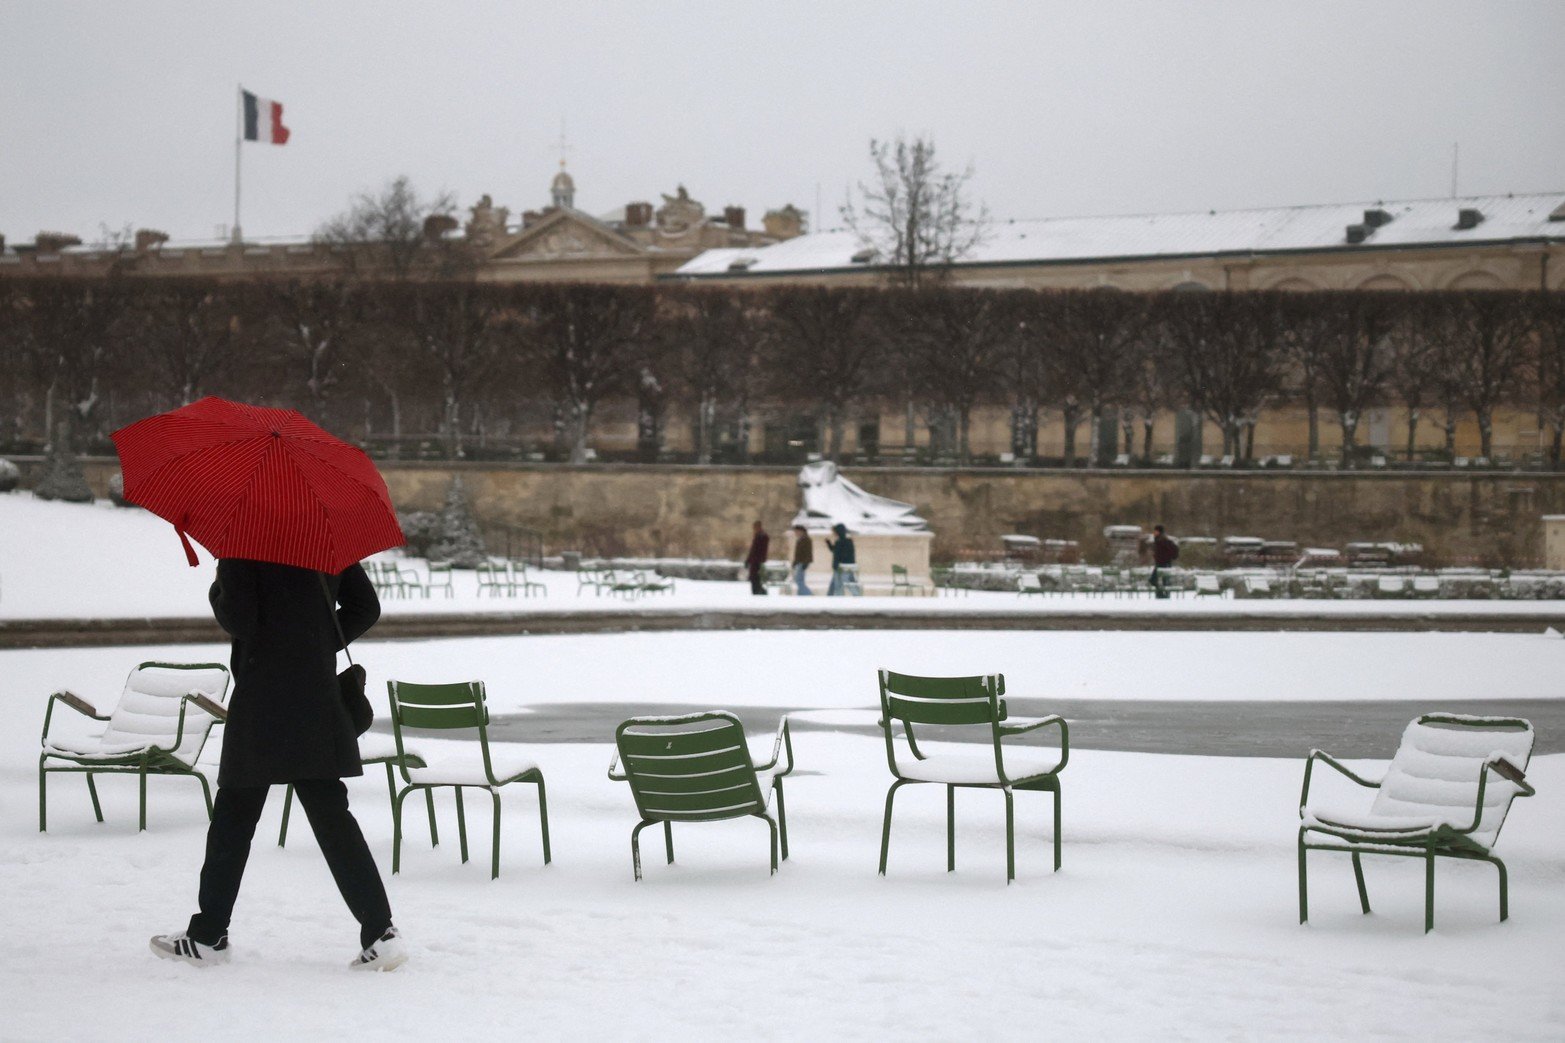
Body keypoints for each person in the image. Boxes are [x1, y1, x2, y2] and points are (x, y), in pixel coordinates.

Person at [150, 558, 406, 971]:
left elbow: (241, 620)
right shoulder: (323, 537)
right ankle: (381, 932)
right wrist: (317, 640)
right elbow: (366, 607)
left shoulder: (246, 545)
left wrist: (219, 585)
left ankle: (208, 935)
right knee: (333, 821)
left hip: (261, 706)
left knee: (233, 821)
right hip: (316, 699)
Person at [825, 522, 856, 596]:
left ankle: (838, 603)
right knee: (833, 588)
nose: (833, 534)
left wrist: (837, 565)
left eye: (835, 532)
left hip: (841, 568)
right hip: (843, 568)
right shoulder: (844, 542)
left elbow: (839, 555)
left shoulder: (841, 542)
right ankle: (828, 601)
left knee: (839, 587)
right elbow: (835, 551)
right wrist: (829, 543)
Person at [1150, 524, 1179, 599]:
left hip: (1164, 563)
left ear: (1159, 532)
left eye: (1155, 531)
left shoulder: (1163, 540)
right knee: (1154, 580)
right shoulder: (1158, 539)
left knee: (1164, 580)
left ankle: (1163, 595)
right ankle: (1161, 594)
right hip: (1159, 563)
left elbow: (1171, 550)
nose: (1154, 532)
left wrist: (1167, 557)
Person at [744, 520, 770, 595]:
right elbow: (752, 550)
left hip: (758, 561)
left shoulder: (763, 536)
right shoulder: (758, 536)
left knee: (756, 578)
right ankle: (757, 591)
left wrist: (761, 560)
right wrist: (748, 560)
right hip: (754, 560)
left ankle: (759, 591)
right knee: (754, 578)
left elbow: (761, 550)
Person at [790, 524, 813, 595]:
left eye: (796, 531)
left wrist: (806, 562)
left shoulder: (806, 540)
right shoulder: (800, 540)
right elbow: (797, 554)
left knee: (798, 580)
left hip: (803, 562)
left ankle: (809, 594)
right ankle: (801, 595)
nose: (795, 533)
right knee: (800, 580)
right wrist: (794, 562)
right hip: (799, 562)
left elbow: (808, 552)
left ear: (801, 531)